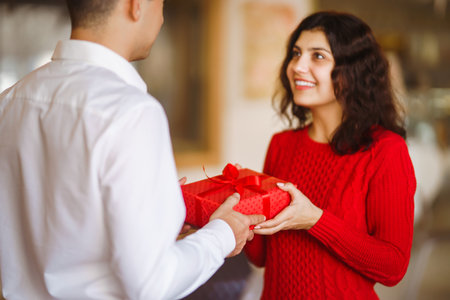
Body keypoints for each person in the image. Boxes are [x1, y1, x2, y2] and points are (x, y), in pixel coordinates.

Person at [0, 0, 265, 299]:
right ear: (136, 5)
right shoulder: (130, 112)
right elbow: (152, 285)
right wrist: (223, 234)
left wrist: (159, 222)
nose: (163, 18)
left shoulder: (10, 101)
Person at [244, 11, 417, 299]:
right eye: (296, 53)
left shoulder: (386, 151)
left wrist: (315, 220)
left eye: (318, 56)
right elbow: (263, 256)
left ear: (353, 71)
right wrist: (240, 209)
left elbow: (393, 268)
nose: (298, 66)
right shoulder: (281, 145)